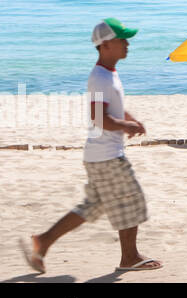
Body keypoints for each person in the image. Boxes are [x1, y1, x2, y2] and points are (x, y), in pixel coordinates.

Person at [20, 18, 161, 274]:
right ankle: (129, 257)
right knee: (132, 199)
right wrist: (123, 126)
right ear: (106, 45)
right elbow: (98, 118)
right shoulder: (99, 77)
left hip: (99, 155)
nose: (127, 44)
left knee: (92, 206)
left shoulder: (108, 74)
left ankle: (44, 241)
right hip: (107, 156)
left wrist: (129, 119)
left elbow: (110, 108)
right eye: (122, 39)